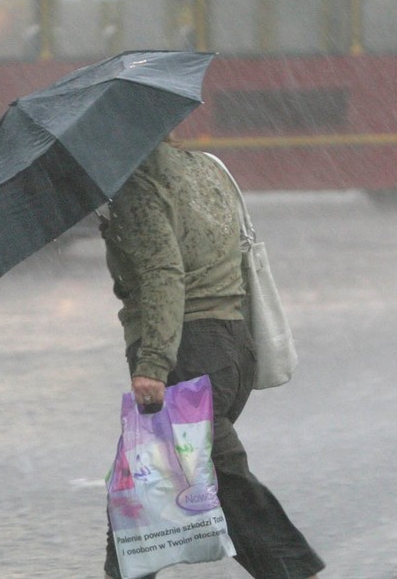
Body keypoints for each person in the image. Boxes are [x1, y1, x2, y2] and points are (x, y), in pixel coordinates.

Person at [100, 137, 325, 579]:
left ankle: (292, 570)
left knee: (219, 483)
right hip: (231, 346)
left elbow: (164, 273)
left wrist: (153, 364)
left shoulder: (137, 187)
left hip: (186, 353)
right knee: (141, 479)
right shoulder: (207, 168)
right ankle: (124, 570)